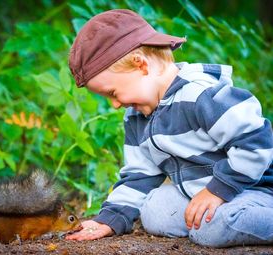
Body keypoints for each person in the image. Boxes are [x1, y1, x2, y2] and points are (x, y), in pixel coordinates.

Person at [65, 9, 273, 247]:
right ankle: (212, 220)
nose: (115, 104)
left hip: (251, 188)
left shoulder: (200, 94)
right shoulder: (136, 116)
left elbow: (256, 142)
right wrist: (109, 219)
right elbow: (139, 174)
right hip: (200, 190)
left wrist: (217, 190)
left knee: (211, 229)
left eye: (112, 93)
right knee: (155, 213)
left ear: (141, 66)